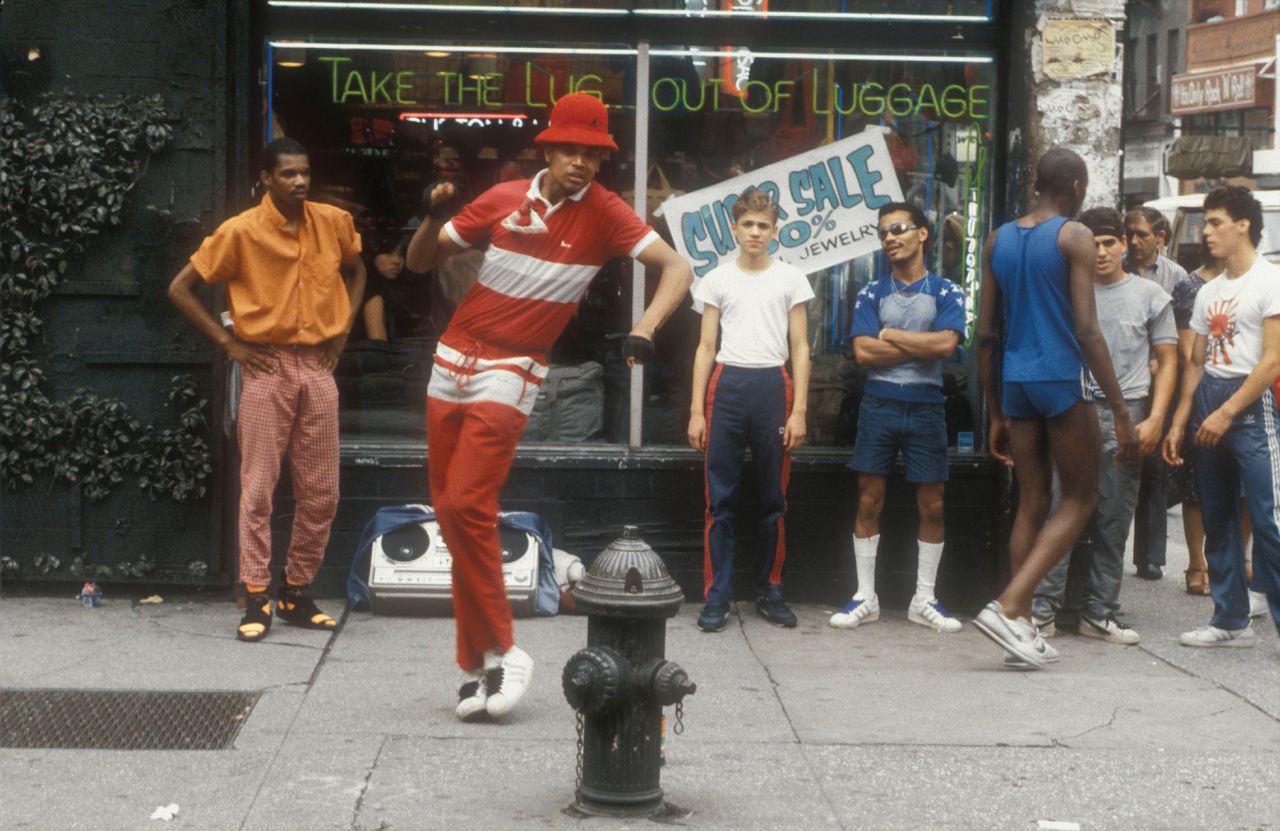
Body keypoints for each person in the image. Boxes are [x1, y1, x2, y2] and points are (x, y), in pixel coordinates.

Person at [403, 93, 693, 721]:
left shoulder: (609, 214)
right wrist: (433, 218)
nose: (582, 163)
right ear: (548, 149)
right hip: (453, 355)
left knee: (466, 503)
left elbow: (678, 268)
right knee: (451, 516)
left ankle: (508, 648)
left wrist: (645, 325)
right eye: (572, 150)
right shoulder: (504, 197)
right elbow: (419, 261)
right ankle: (476, 662)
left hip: (513, 365)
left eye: (593, 154)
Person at [167, 137, 366, 642]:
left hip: (318, 368)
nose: (300, 181)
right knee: (258, 488)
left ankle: (295, 590)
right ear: (266, 179)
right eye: (288, 174)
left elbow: (358, 269)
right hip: (266, 366)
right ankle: (256, 595)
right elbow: (180, 288)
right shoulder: (240, 231)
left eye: (304, 172)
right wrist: (230, 346)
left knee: (322, 491)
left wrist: (342, 331)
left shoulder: (333, 222)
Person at [974, 147, 1137, 669]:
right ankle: (1010, 605)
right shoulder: (1074, 235)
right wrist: (1120, 408)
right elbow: (1087, 329)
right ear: (1075, 186)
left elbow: (984, 336)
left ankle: (1019, 631)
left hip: (1016, 381)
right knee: (1082, 497)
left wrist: (995, 411)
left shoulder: (999, 238)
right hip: (1061, 378)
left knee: (1033, 501)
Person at [1031, 207, 1177, 646]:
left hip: (1127, 415)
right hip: (1072, 409)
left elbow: (1169, 360)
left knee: (1114, 518)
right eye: (1092, 243)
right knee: (1061, 511)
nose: (1100, 252)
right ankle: (1041, 612)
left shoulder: (1150, 295)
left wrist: (1155, 417)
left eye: (1109, 242)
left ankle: (1099, 612)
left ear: (1123, 245)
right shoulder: (1066, 293)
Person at [829, 202, 965, 634]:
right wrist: (918, 342)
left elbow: (946, 347)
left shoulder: (947, 291)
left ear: (922, 235)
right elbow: (864, 353)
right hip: (878, 404)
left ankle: (924, 597)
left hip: (927, 405)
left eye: (899, 229)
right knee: (869, 499)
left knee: (934, 504)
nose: (889, 238)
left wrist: (888, 334)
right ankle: (865, 597)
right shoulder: (871, 292)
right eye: (883, 232)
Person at [687, 187, 813, 633]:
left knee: (771, 498)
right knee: (718, 500)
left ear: (775, 231)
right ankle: (716, 595)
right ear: (734, 230)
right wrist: (696, 412)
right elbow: (705, 347)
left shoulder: (791, 278)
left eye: (763, 225)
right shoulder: (716, 279)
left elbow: (800, 347)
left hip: (771, 385)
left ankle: (769, 587)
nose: (755, 232)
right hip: (728, 384)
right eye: (748, 225)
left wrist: (798, 411)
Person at [1164, 185, 1280, 646]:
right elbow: (1195, 361)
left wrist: (1228, 411)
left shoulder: (1270, 281)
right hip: (1209, 398)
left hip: (1250, 406)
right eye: (1206, 222)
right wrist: (1180, 420)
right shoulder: (1208, 291)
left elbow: (1271, 361)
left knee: (1269, 520)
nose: (1206, 231)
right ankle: (1229, 619)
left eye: (1215, 222)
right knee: (1217, 516)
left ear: (1243, 225)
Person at [1125, 206, 1190, 581]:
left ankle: (1150, 557)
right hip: (1121, 380)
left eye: (1142, 235)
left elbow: (1181, 337)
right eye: (1129, 234)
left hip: (1158, 383)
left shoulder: (1176, 277)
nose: (1134, 242)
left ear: (1160, 239)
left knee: (1153, 469)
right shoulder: (1114, 267)